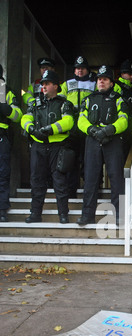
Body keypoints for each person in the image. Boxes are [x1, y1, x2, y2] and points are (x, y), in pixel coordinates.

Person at [77, 65, 128, 226]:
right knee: (91, 179)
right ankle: (87, 215)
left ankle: (118, 215)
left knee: (116, 179)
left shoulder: (118, 99)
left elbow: (124, 120)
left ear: (111, 83)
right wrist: (92, 130)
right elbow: (81, 120)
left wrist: (108, 130)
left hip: (112, 141)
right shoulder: (89, 98)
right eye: (99, 79)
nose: (101, 82)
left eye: (105, 79)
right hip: (93, 141)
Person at [21, 70, 74, 224]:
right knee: (37, 181)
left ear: (55, 86)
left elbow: (68, 122)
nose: (43, 87)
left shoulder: (65, 104)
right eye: (42, 84)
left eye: (47, 84)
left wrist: (50, 129)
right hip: (38, 146)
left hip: (57, 147)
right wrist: (31, 129)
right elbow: (25, 118)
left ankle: (63, 214)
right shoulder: (35, 103)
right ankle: (35, 214)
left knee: (60, 182)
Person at [60, 56, 97, 198]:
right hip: (72, 126)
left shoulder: (94, 83)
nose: (79, 70)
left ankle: (91, 188)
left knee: (89, 159)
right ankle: (71, 190)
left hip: (88, 126)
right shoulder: (67, 84)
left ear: (87, 69)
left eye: (82, 68)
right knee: (71, 159)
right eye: (77, 68)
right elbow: (60, 100)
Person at [0, 64, 23, 222]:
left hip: (2, 137)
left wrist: (5, 108)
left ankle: (1, 209)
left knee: (2, 175)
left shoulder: (4, 89)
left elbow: (18, 115)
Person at [115, 59, 132, 159]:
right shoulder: (116, 86)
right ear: (123, 73)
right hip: (120, 125)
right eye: (129, 74)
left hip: (131, 125)